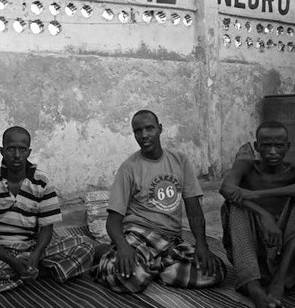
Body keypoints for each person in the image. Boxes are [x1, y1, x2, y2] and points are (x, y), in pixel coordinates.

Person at [92, 110, 226, 293]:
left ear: (160, 129)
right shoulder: (129, 168)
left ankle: (149, 268)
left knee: (215, 271)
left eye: (150, 128)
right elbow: (113, 221)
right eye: (138, 131)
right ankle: (117, 260)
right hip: (138, 236)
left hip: (171, 243)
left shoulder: (180, 160)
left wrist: (202, 245)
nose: (144, 135)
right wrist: (123, 247)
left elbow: (194, 208)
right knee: (127, 279)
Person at [0, 126, 94, 295]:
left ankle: (27, 272)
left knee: (85, 246)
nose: (17, 155)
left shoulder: (41, 181)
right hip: (0, 253)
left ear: (29, 152)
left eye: (22, 149)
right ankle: (33, 274)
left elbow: (47, 228)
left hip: (33, 249)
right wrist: (12, 261)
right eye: (11, 149)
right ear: (2, 151)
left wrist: (35, 256)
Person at [219, 120, 295, 308]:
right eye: (266, 146)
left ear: (287, 147)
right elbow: (226, 188)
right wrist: (263, 214)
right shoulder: (246, 166)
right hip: (253, 252)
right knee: (235, 205)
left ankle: (279, 283)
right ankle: (253, 286)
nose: (272, 152)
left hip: (286, 252)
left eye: (279, 146)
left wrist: (257, 194)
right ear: (256, 146)